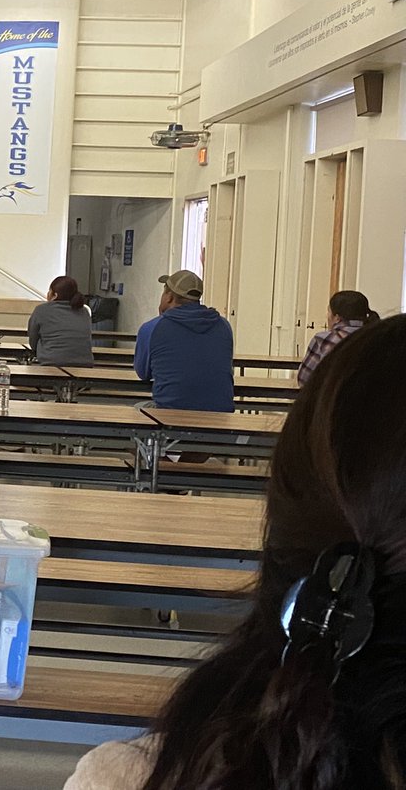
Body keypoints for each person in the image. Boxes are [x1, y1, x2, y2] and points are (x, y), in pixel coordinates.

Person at [65, 314, 406, 790]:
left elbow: (143, 373)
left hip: (170, 418)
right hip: (218, 415)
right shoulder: (224, 327)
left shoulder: (142, 773)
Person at [134, 270, 233, 412]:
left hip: (170, 412)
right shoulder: (224, 325)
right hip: (221, 413)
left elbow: (143, 373)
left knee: (139, 409)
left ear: (168, 297)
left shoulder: (152, 327)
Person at [298, 289, 379, 385]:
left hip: (331, 398)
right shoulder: (378, 338)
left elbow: (304, 379)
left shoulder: (324, 340)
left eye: (328, 311)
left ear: (336, 318)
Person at [27, 275, 94, 366]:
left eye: (49, 290)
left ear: (55, 295)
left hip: (51, 362)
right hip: (84, 362)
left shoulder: (41, 310)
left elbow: (33, 340)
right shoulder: (84, 311)